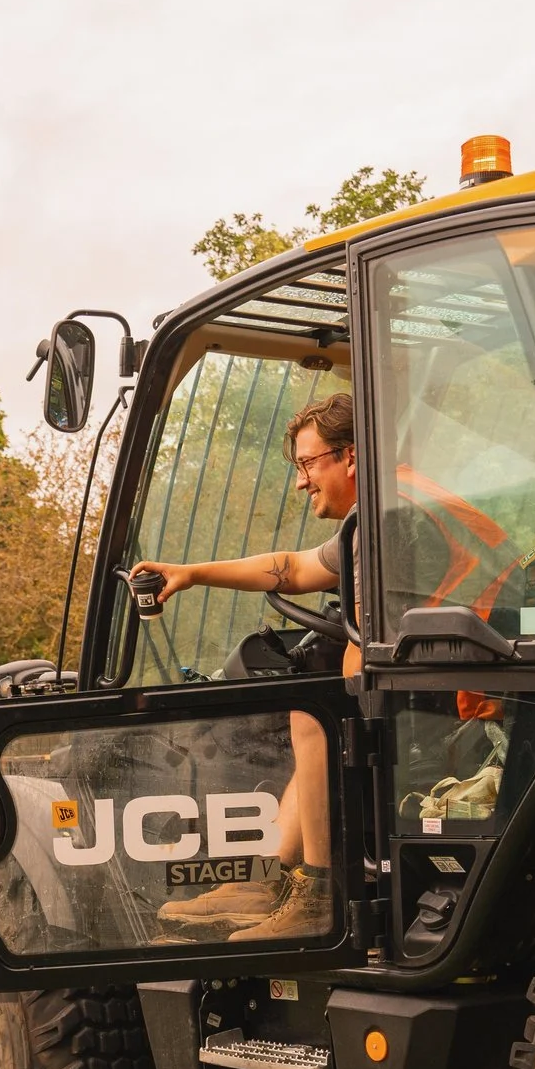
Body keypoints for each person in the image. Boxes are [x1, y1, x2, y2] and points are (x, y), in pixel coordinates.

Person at [131, 391, 357, 942]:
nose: (301, 481)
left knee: (315, 713)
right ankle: (268, 877)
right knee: (318, 694)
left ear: (350, 456)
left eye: (307, 464)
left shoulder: (394, 521)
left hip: (458, 686)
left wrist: (359, 658)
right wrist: (191, 573)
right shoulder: (371, 526)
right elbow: (294, 568)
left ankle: (318, 894)